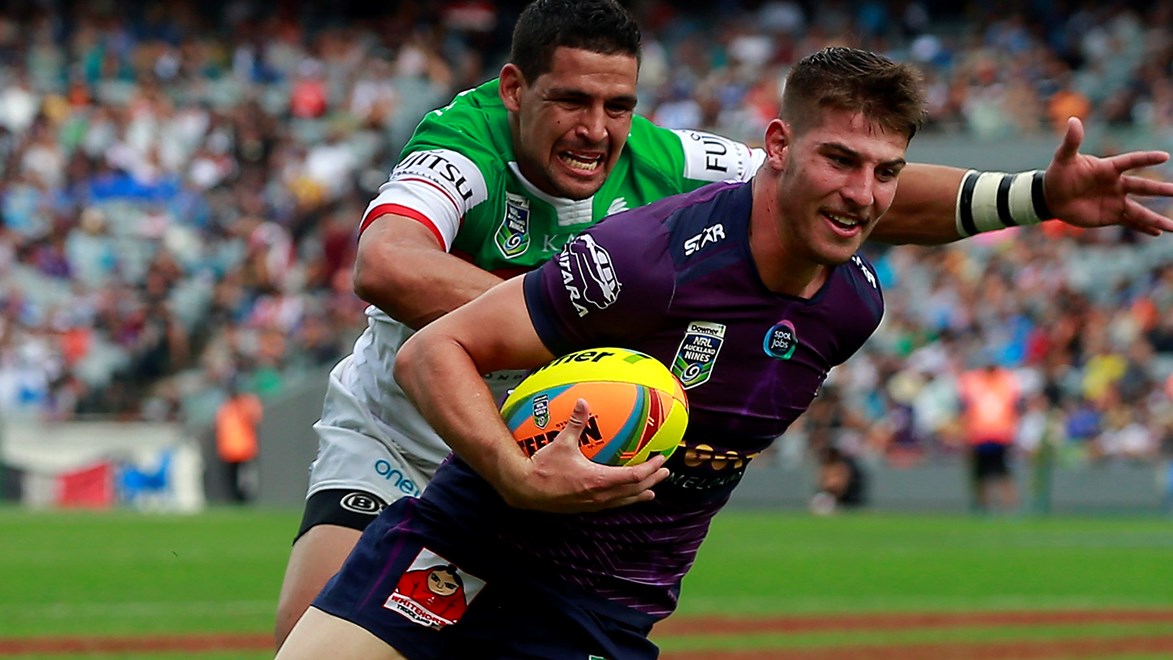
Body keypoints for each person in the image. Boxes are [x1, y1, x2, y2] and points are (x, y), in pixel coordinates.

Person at [273, 0, 1173, 646]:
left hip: (568, 440)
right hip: (409, 429)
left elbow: (843, 188)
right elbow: (386, 265)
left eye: (618, 106)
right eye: (572, 102)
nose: (596, 130)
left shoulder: (673, 160)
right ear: (514, 89)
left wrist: (1034, 194)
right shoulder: (462, 148)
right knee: (306, 629)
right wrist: (567, 317)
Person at [957, 355, 1023, 514]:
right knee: (980, 474)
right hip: (979, 435)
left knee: (1003, 472)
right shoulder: (974, 381)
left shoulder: (1005, 380)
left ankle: (1010, 507)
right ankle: (983, 506)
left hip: (1000, 434)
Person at [214, 380, 263, 504]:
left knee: (244, 479)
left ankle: (244, 500)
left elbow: (256, 415)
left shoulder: (243, 405)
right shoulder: (226, 407)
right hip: (230, 450)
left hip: (244, 449)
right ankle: (235, 500)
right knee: (232, 479)